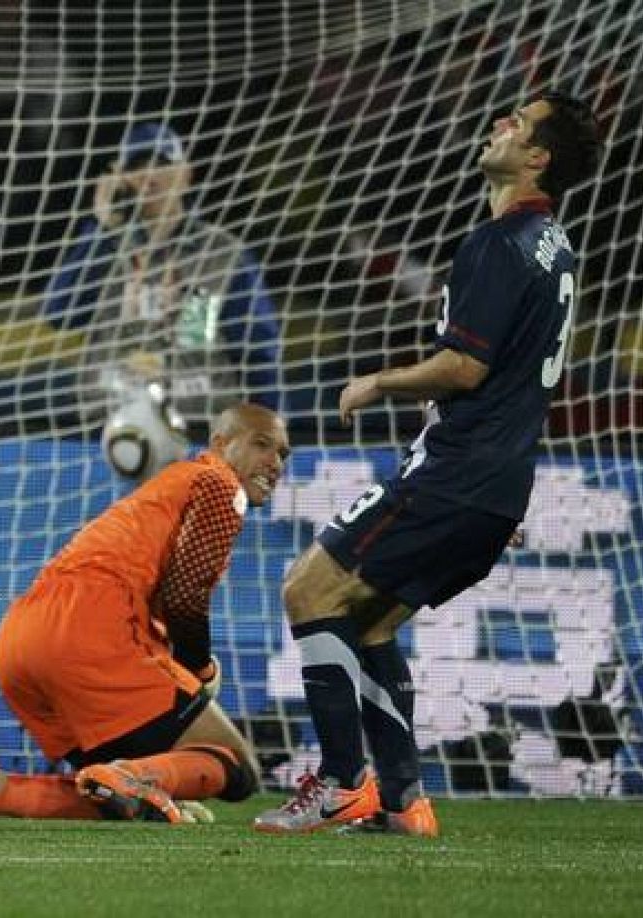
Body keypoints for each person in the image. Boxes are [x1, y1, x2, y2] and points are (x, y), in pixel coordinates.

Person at [253, 90, 603, 837]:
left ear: (537, 158)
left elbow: (465, 368)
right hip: (496, 485)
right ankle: (403, 800)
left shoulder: (499, 243)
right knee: (371, 625)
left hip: (455, 474)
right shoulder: (555, 246)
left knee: (309, 589)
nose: (500, 123)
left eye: (519, 122)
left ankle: (343, 781)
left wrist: (379, 381)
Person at [0, 403, 289, 823]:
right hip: (89, 630)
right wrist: (198, 671)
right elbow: (186, 596)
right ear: (220, 444)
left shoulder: (163, 491)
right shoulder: (218, 482)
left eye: (284, 454)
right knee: (237, 765)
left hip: (20, 639)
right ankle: (139, 777)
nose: (274, 463)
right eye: (262, 445)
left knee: (110, 791)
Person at [44, 123, 282, 424]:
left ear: (186, 174)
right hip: (109, 428)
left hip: (198, 431)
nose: (149, 176)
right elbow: (59, 314)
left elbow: (260, 355)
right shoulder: (103, 247)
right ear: (119, 178)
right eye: (136, 166)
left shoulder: (222, 253)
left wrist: (264, 434)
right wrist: (101, 225)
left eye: (161, 163)